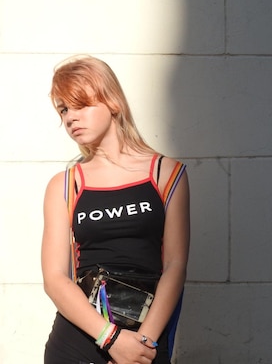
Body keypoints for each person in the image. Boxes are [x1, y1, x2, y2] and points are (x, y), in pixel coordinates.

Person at [42, 55, 190, 364]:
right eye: (64, 109)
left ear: (112, 102)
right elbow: (55, 278)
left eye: (81, 104)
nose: (70, 118)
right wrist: (111, 339)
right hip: (80, 340)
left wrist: (141, 345)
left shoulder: (166, 174)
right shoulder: (65, 185)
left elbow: (175, 265)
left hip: (144, 342)